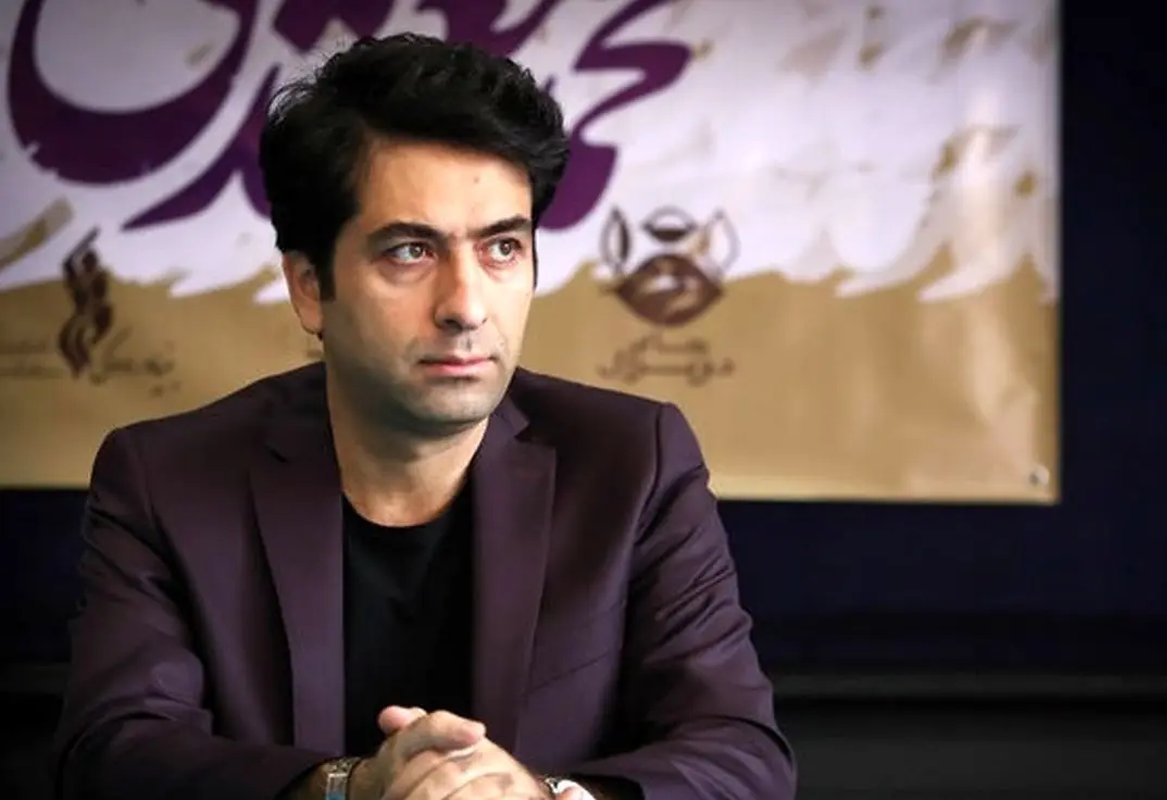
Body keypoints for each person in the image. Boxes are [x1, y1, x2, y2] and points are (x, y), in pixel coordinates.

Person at [50, 32, 795, 800]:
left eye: (502, 248)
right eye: (410, 251)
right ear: (309, 287)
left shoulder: (633, 461)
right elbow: (114, 754)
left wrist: (542, 798)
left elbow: (738, 755)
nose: (467, 306)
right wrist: (349, 790)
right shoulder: (167, 480)